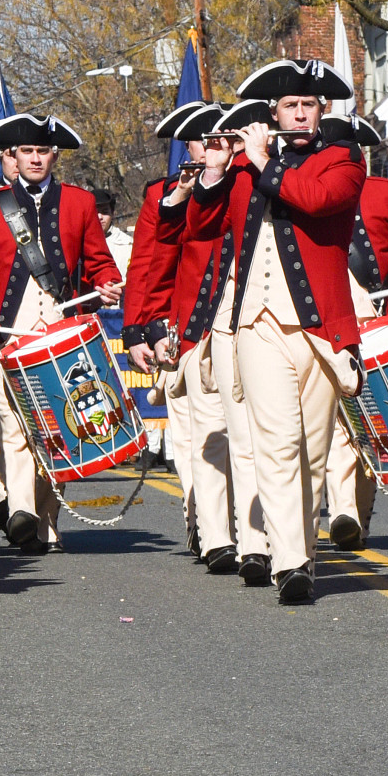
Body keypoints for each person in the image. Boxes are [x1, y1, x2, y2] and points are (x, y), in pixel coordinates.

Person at [180, 60, 365, 604]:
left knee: (311, 451)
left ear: (322, 111)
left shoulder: (344, 158)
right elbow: (199, 229)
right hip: (256, 324)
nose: (300, 112)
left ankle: (299, 545)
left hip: (320, 328)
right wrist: (214, 172)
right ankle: (292, 564)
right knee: (278, 444)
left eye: (309, 104)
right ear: (273, 113)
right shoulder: (242, 168)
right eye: (290, 106)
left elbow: (317, 199)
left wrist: (261, 161)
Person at [0, 113, 124, 553]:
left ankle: (46, 520)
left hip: (62, 333)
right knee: (14, 427)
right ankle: (21, 513)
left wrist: (107, 282)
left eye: (43, 151)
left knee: (56, 432)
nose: (36, 158)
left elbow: (98, 260)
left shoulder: (79, 203)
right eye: (27, 151)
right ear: (13, 155)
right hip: (7, 334)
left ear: (54, 155)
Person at [125, 100, 237, 568]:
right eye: (199, 138)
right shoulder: (162, 195)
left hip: (239, 320)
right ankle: (209, 528)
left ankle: (242, 527)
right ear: (186, 145)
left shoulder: (248, 185)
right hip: (183, 327)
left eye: (220, 138)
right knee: (198, 435)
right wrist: (142, 330)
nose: (210, 146)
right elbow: (149, 266)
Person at [314, 112, 388, 548]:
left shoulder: (384, 193)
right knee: (333, 422)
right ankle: (342, 508)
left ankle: (357, 515)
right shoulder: (306, 192)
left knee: (370, 422)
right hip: (324, 321)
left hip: (374, 319)